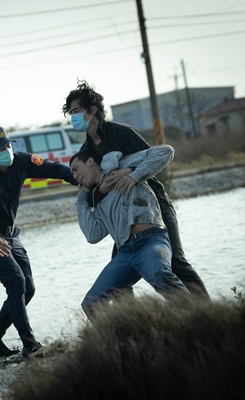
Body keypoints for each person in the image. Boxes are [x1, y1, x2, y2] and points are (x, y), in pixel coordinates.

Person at [62, 80, 210, 299]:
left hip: (154, 206)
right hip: (122, 218)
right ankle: (133, 317)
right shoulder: (86, 152)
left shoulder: (121, 132)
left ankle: (209, 311)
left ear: (92, 110)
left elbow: (155, 159)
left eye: (76, 111)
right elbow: (90, 194)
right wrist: (102, 189)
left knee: (176, 261)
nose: (73, 117)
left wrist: (130, 172)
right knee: (118, 281)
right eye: (71, 113)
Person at [0, 127, 78, 358]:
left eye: (9, 145)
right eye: (1, 149)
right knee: (16, 282)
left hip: (11, 236)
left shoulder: (21, 161)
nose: (7, 150)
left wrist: (83, 180)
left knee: (27, 289)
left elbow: (56, 169)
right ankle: (30, 345)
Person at [70, 146, 190, 317]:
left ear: (90, 161)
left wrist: (132, 174)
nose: (75, 176)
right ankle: (122, 333)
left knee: (160, 275)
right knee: (91, 303)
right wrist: (82, 199)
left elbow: (167, 151)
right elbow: (92, 235)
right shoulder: (98, 200)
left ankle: (199, 319)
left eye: (76, 169)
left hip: (151, 241)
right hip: (125, 253)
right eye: (72, 174)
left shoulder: (120, 165)